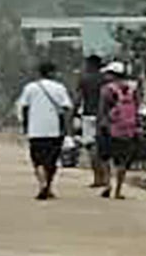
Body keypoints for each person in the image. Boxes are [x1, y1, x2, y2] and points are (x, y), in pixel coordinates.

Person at [16, 55, 76, 199]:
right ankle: (48, 185)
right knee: (51, 161)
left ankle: (42, 184)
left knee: (37, 160)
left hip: (35, 130)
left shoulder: (30, 87)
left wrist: (25, 124)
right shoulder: (59, 88)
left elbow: (24, 107)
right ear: (53, 73)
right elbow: (67, 108)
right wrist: (67, 129)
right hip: (54, 131)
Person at [99, 59, 144, 197]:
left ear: (113, 74)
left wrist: (101, 124)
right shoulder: (133, 88)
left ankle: (107, 183)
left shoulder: (107, 89)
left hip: (110, 127)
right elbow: (137, 107)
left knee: (105, 157)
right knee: (122, 161)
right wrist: (138, 125)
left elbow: (102, 109)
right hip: (128, 128)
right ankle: (118, 190)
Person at [74, 52, 109, 193]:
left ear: (89, 65)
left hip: (89, 116)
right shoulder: (106, 79)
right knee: (103, 147)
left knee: (91, 147)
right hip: (105, 116)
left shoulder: (84, 79)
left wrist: (74, 113)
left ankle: (97, 178)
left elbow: (78, 98)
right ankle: (105, 177)